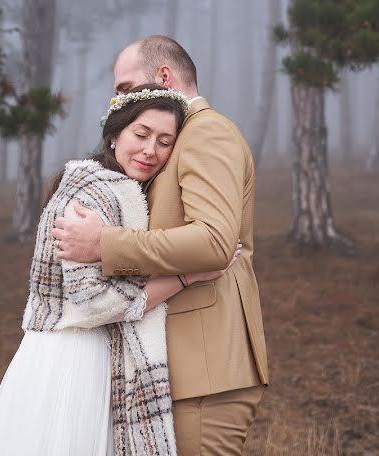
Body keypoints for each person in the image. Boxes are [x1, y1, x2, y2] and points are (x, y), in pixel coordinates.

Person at [0, 83, 236, 456]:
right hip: (71, 363)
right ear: (115, 133)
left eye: (165, 141)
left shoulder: (112, 187)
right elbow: (93, 306)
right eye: (141, 134)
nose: (151, 150)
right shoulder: (96, 192)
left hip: (84, 354)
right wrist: (186, 275)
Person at [52, 35, 269, 455]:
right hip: (184, 367)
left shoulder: (207, 133)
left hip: (208, 369)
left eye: (125, 89)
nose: (119, 102)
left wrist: (105, 244)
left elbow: (214, 241)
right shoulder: (178, 139)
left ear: (164, 76)